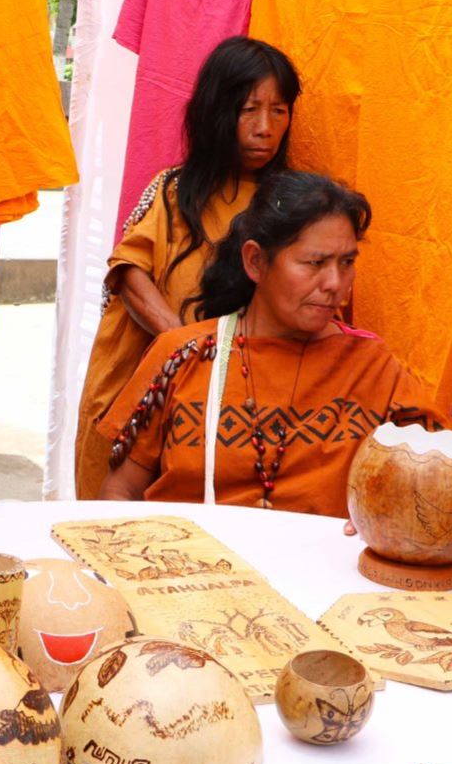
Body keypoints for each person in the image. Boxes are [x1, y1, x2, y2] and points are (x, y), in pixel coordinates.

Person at [98, 172, 435, 517]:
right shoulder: (183, 356)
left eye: (347, 263)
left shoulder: (372, 368)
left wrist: (381, 529)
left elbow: (437, 488)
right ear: (256, 262)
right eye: (315, 263)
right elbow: (120, 491)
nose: (335, 283)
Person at [74, 36, 300, 498]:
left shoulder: (291, 206)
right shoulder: (175, 191)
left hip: (240, 408)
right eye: (249, 109)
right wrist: (185, 350)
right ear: (218, 112)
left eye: (278, 110)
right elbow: (130, 273)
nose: (265, 128)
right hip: (149, 392)